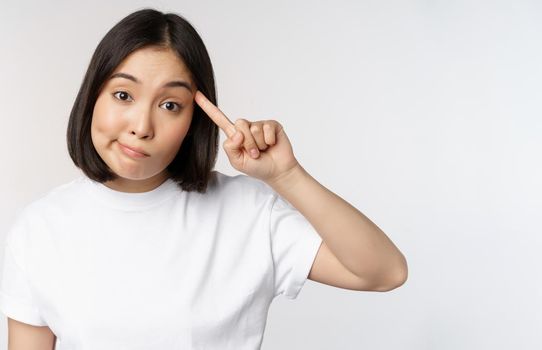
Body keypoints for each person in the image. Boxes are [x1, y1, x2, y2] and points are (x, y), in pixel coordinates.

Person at [0, 8, 407, 350]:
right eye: (123, 95)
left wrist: (287, 175)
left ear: (194, 121)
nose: (141, 126)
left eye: (170, 104)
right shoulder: (40, 229)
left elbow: (384, 272)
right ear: (92, 96)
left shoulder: (245, 212)